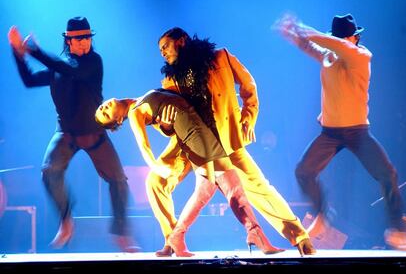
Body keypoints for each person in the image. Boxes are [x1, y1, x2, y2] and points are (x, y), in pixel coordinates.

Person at [145, 27, 315, 257]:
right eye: (160, 50)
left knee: (260, 188)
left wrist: (248, 117)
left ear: (181, 41)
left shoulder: (221, 57)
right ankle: (171, 239)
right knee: (156, 182)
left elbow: (248, 86)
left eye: (165, 46)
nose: (163, 53)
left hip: (226, 139)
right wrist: (164, 126)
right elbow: (169, 117)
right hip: (191, 144)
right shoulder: (170, 79)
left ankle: (299, 236)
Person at [276, 13, 406, 250]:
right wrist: (293, 35)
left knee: (387, 175)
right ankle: (322, 215)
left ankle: (397, 230)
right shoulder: (330, 56)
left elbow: (334, 43)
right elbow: (312, 47)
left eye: (342, 39)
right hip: (330, 133)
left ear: (353, 38)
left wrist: (300, 26)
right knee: (303, 171)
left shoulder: (361, 55)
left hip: (357, 132)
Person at [95, 89, 284, 256]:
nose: (104, 107)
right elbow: (144, 145)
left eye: (102, 107)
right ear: (118, 120)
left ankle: (254, 234)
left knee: (227, 185)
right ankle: (175, 237)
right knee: (190, 185)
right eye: (105, 113)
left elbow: (170, 110)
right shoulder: (136, 112)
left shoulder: (139, 100)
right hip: (190, 135)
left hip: (198, 130)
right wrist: (156, 166)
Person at [7, 17, 137, 252]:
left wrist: (34, 49)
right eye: (79, 39)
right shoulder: (59, 66)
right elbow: (29, 80)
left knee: (118, 180)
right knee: (49, 172)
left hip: (94, 134)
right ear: (69, 40)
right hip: (66, 134)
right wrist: (18, 53)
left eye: (87, 38)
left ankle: (121, 235)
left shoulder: (93, 62)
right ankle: (66, 219)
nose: (84, 43)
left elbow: (70, 70)